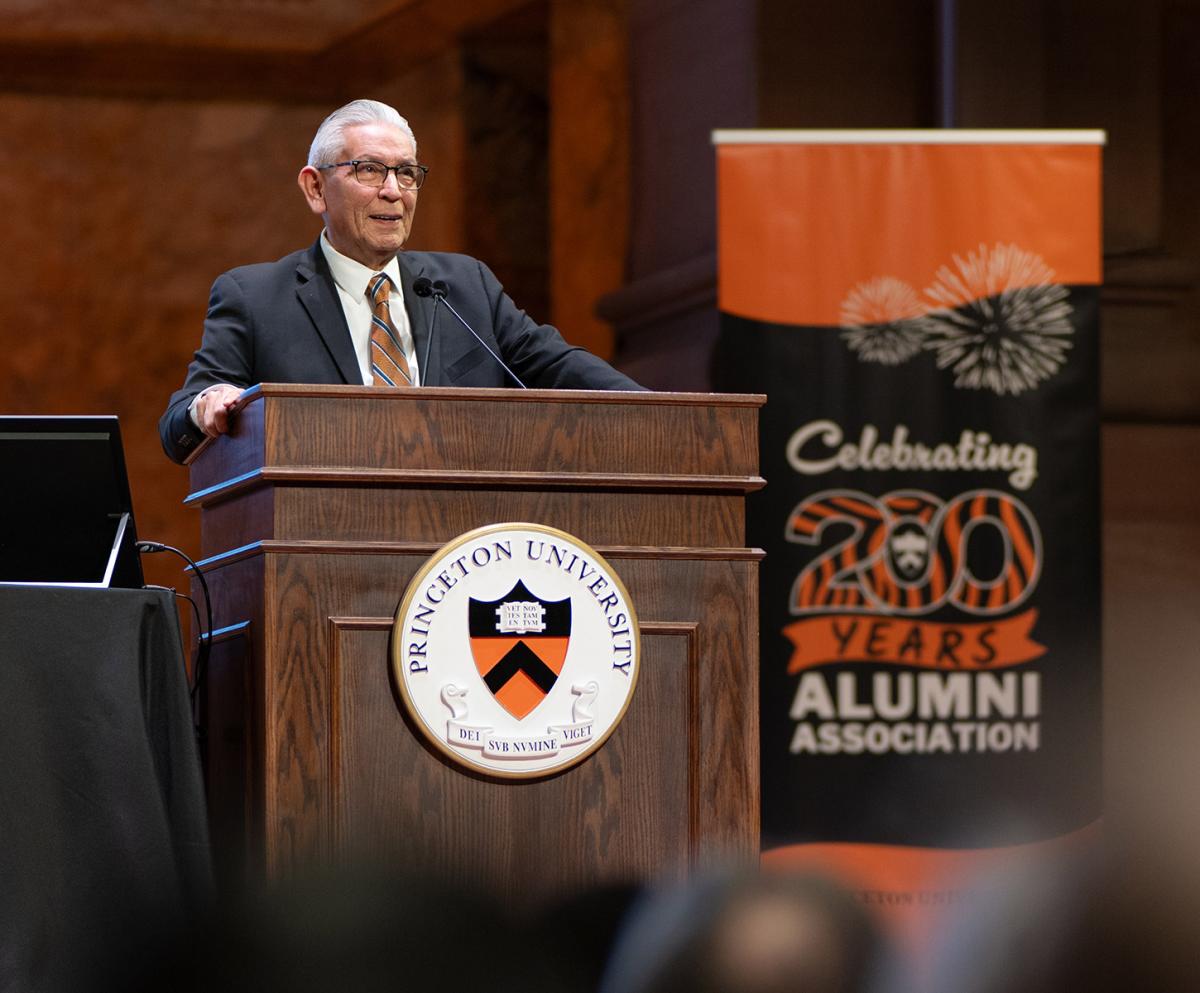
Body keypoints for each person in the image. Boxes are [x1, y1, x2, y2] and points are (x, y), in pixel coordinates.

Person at [159, 98, 642, 464]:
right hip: (321, 541)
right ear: (315, 188)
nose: (393, 191)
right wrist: (206, 405)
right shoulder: (256, 297)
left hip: (463, 542)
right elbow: (177, 430)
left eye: (406, 173)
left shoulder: (465, 285)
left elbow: (557, 365)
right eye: (370, 170)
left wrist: (654, 412)